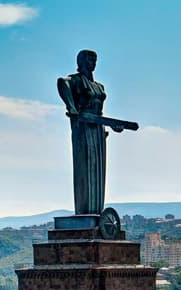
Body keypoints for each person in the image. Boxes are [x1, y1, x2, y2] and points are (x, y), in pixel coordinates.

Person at [57, 49, 108, 216]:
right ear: (81, 62)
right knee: (85, 167)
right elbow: (62, 83)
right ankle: (84, 211)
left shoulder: (99, 86)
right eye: (89, 61)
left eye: (94, 61)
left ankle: (96, 213)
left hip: (98, 129)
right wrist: (71, 106)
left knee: (98, 170)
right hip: (83, 127)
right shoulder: (76, 80)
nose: (92, 64)